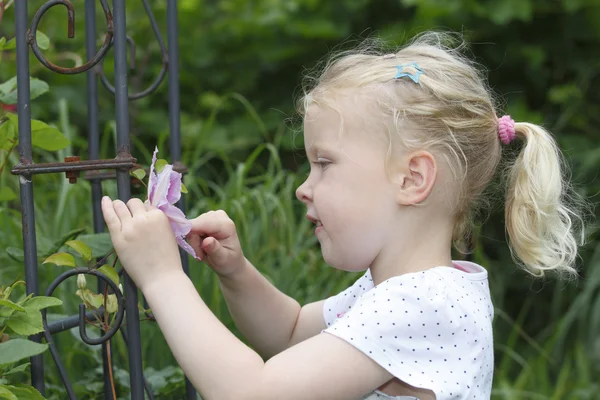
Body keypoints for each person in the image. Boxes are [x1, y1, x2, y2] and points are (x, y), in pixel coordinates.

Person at [100, 31, 590, 400]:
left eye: (325, 164)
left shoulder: (423, 304)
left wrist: (163, 276)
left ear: (412, 179)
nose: (302, 188)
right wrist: (236, 272)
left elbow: (250, 393)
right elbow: (289, 332)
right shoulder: (404, 290)